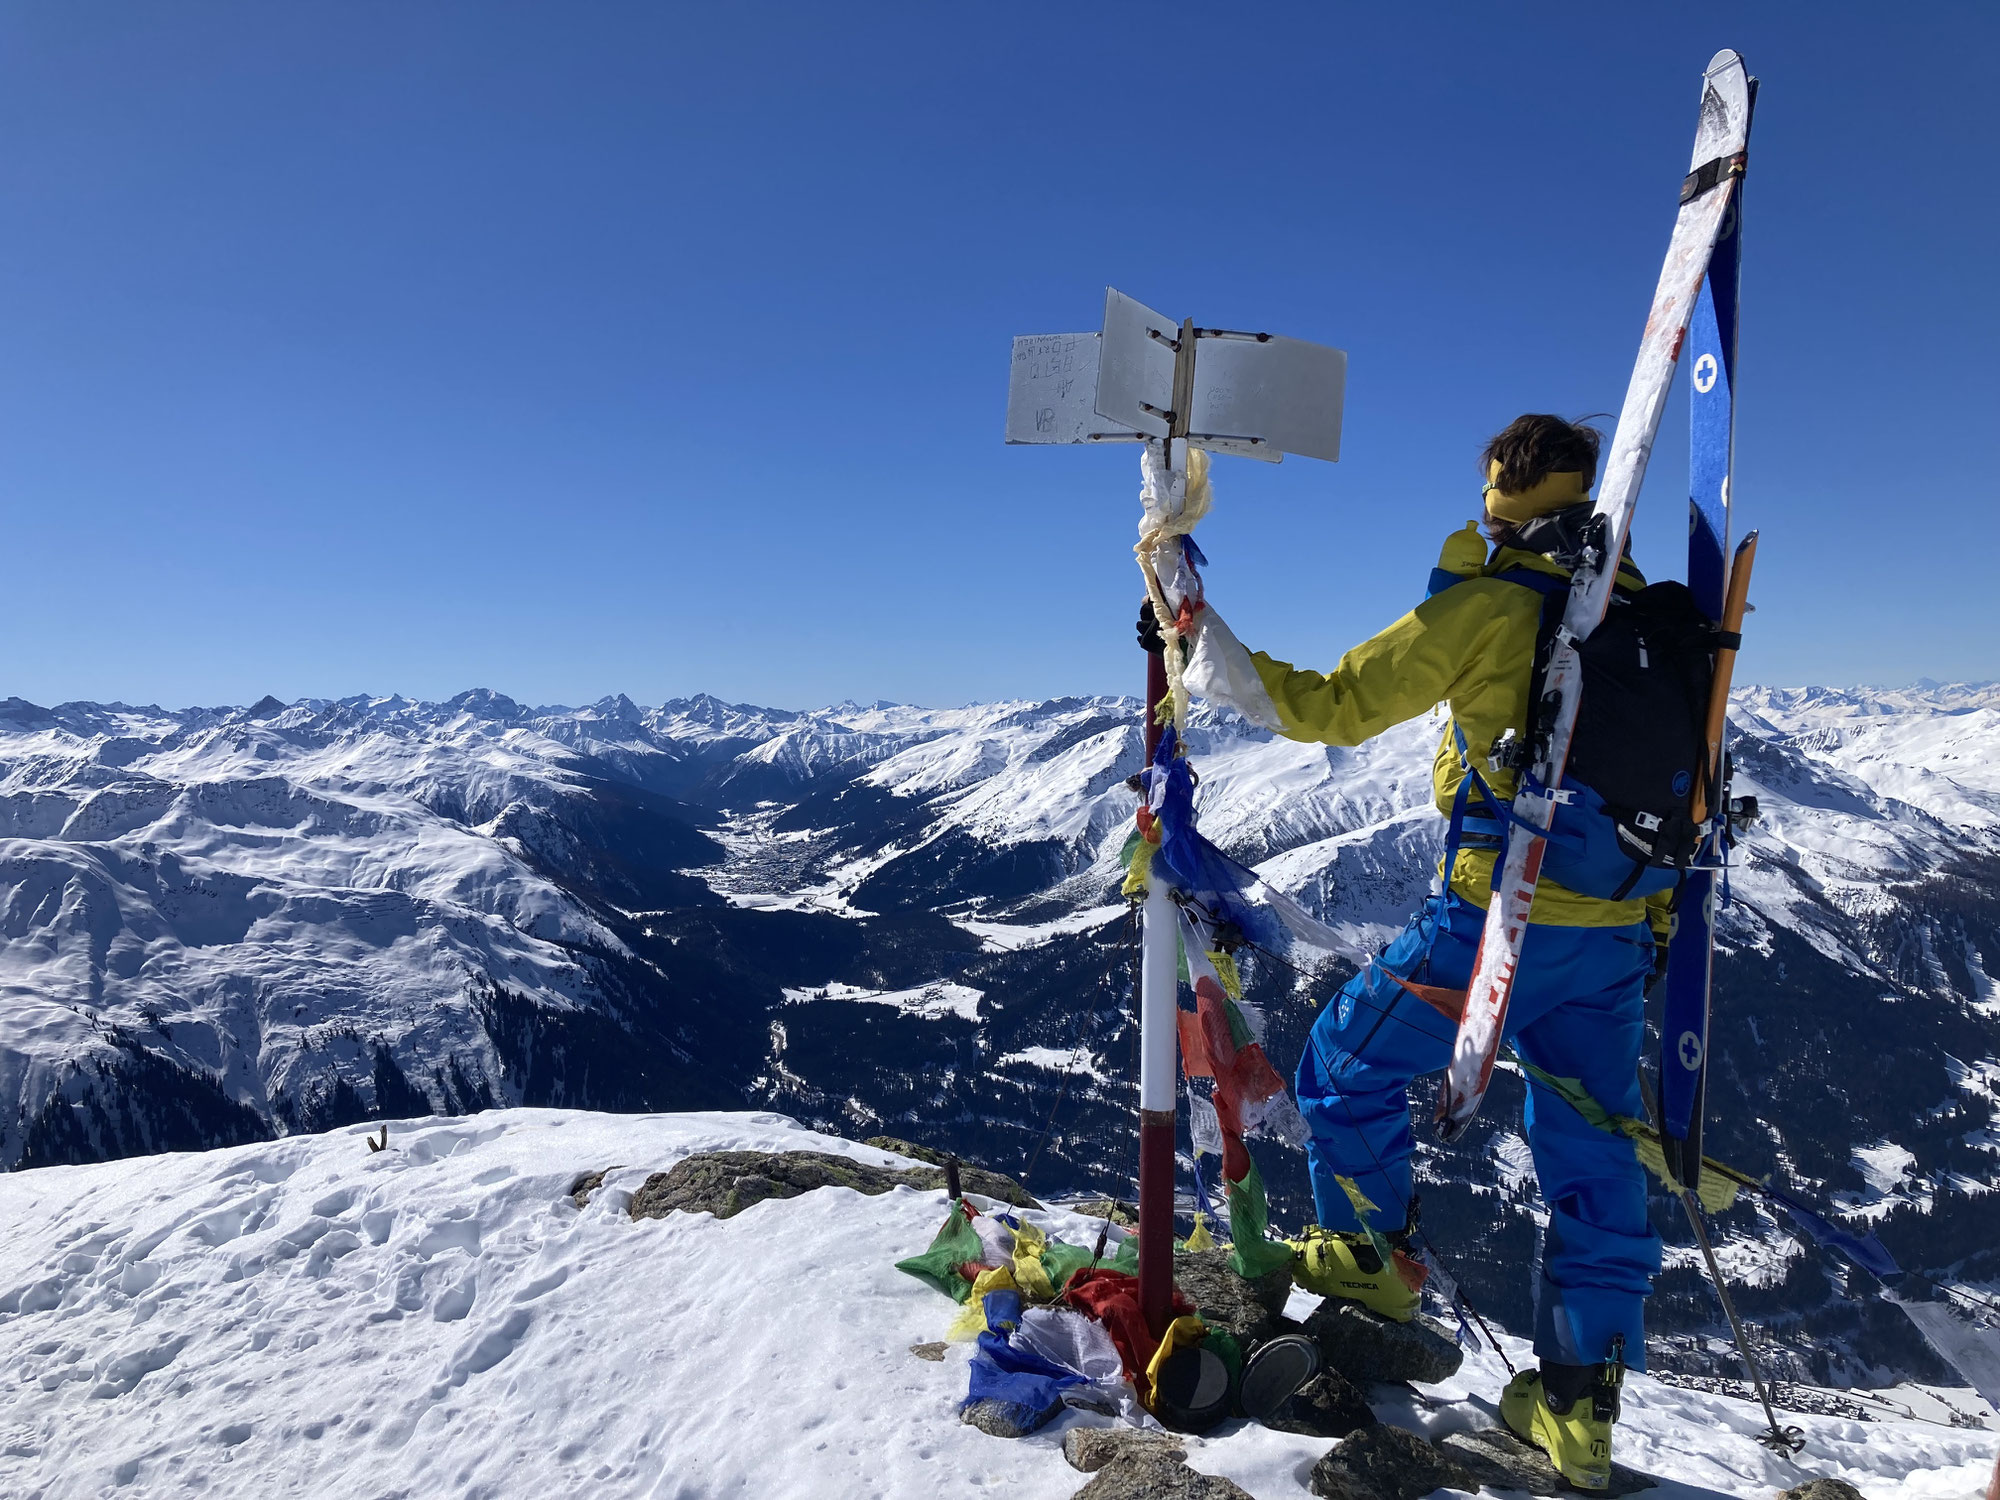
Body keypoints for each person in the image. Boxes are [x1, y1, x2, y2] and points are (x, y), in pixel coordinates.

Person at [1168, 413, 1669, 1491]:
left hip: (1499, 918)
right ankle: (1576, 1409)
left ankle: (1372, 1265)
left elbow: (1332, 703)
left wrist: (1194, 637)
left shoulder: (1494, 606)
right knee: (1591, 1149)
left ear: (1501, 496)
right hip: (1619, 934)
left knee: (1343, 1066)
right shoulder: (1645, 628)